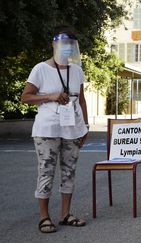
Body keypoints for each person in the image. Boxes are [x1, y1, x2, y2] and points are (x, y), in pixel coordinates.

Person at [21, 25, 89, 233]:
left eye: (71, 44)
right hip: (47, 130)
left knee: (69, 172)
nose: (67, 48)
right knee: (47, 172)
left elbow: (82, 100)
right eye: (64, 43)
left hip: (72, 129)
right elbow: (25, 97)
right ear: (54, 44)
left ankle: (65, 214)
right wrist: (50, 96)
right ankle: (44, 217)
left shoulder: (77, 70)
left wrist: (85, 126)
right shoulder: (41, 69)